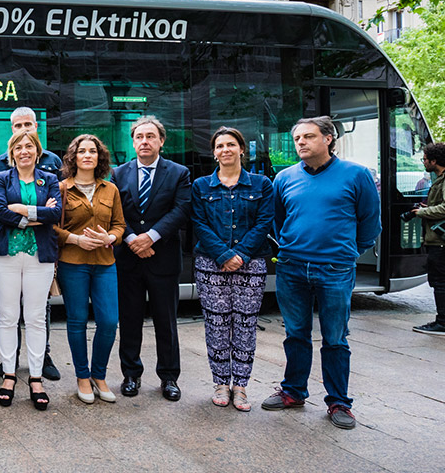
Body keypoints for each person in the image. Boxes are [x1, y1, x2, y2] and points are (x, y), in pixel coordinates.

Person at [261, 116, 381, 430]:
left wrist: (351, 252)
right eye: (297, 138)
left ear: (328, 138)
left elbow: (370, 222)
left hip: (336, 269)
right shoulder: (284, 177)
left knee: (335, 338)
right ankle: (293, 392)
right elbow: (278, 220)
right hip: (292, 267)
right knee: (296, 334)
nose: (301, 142)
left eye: (309, 137)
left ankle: (339, 402)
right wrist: (289, 246)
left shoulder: (356, 175)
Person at [190, 127, 275, 412]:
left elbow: (265, 223)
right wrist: (224, 254)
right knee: (216, 325)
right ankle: (220, 383)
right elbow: (199, 224)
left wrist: (240, 254)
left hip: (251, 264)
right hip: (210, 265)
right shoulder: (201, 186)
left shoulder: (261, 184)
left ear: (242, 149)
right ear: (214, 153)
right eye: (219, 145)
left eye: (230, 144)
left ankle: (240, 387)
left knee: (245, 325)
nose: (225, 149)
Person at [111, 115, 191, 401]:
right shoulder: (118, 174)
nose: (144, 141)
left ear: (161, 140)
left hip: (163, 258)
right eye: (139, 137)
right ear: (133, 142)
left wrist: (152, 236)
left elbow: (181, 210)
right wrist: (132, 239)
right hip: (129, 258)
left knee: (166, 322)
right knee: (129, 319)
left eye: (150, 136)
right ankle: (131, 374)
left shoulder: (179, 173)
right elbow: (115, 212)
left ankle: (169, 377)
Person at [0, 108, 63, 381]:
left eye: (29, 142)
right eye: (18, 144)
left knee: (37, 315)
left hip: (40, 254)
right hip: (7, 251)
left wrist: (22, 210)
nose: (23, 147)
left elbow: (56, 213)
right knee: (7, 314)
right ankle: (10, 364)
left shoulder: (52, 170)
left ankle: (39, 367)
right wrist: (34, 215)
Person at [54, 134, 124, 405]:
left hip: (105, 263)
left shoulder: (110, 189)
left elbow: (120, 225)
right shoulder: (61, 188)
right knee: (77, 320)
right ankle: (82, 377)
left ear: (99, 157)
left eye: (92, 151)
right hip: (73, 263)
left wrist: (111, 238)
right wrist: (76, 239)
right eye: (81, 151)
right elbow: (52, 227)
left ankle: (99, 375)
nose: (87, 155)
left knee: (108, 321)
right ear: (73, 157)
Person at [411, 142, 445, 336]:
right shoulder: (439, 179)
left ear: (434, 161)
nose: (423, 162)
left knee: (439, 281)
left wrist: (423, 211)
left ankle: (442, 323)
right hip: (437, 239)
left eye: (425, 159)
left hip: (440, 241)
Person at [0, 106, 63, 177]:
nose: (23, 129)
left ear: (36, 126)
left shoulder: (53, 160)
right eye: (18, 126)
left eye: (27, 124)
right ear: (12, 129)